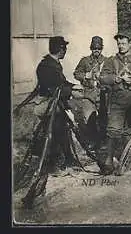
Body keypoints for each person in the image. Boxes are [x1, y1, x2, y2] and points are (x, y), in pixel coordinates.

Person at [21, 36, 77, 208]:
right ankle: (44, 175)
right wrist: (71, 91)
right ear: (60, 49)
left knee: (61, 132)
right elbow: (55, 88)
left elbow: (61, 83)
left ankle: (66, 160)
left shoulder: (49, 64)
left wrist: (72, 87)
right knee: (50, 140)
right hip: (50, 108)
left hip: (53, 107)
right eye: (64, 48)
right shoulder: (48, 67)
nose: (66, 51)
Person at [99, 30, 131, 175]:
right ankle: (109, 161)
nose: (121, 46)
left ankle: (130, 158)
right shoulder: (111, 60)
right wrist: (115, 78)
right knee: (113, 130)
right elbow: (102, 77)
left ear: (130, 43)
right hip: (116, 98)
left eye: (123, 43)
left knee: (130, 131)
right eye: (119, 43)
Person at [73, 36, 108, 147]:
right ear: (91, 48)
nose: (96, 50)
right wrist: (85, 76)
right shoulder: (85, 61)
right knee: (89, 119)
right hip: (88, 95)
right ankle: (93, 141)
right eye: (94, 48)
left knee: (104, 119)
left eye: (98, 48)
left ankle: (103, 141)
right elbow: (76, 74)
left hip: (102, 94)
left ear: (102, 48)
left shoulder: (107, 61)